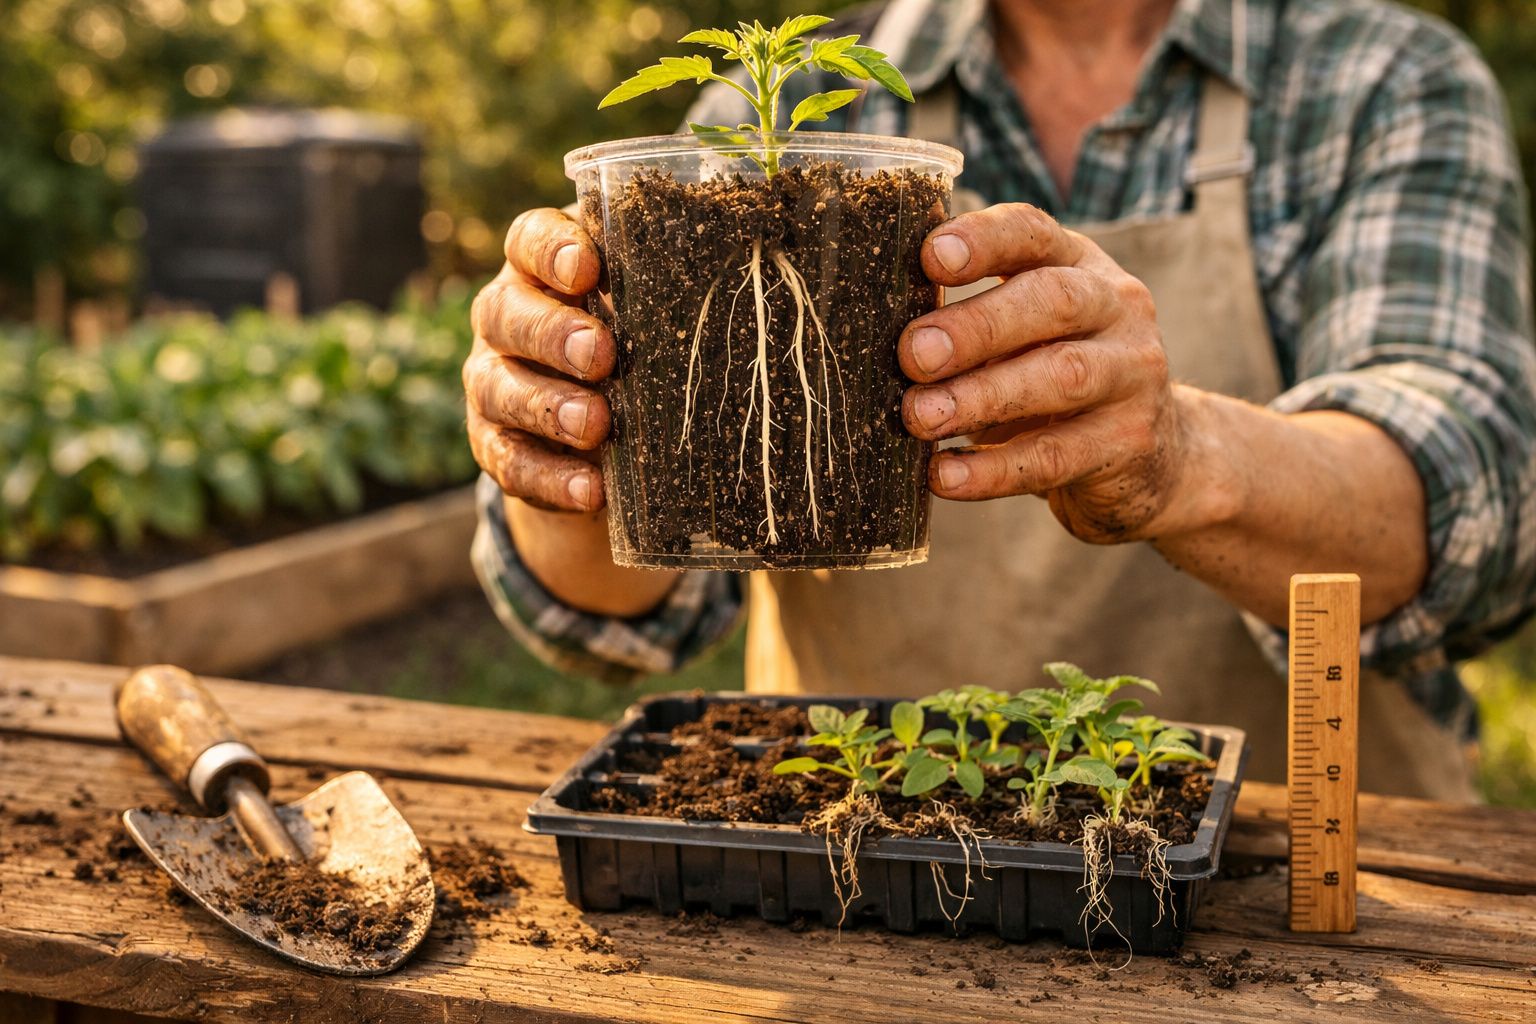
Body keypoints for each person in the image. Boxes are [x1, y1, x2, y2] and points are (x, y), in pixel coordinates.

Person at [462, 0, 1536, 801]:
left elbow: (1466, 503)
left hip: (1283, 873)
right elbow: (614, 616)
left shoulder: (1380, 79)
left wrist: (1180, 450)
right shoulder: (779, 108)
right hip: (849, 853)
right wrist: (565, 422)